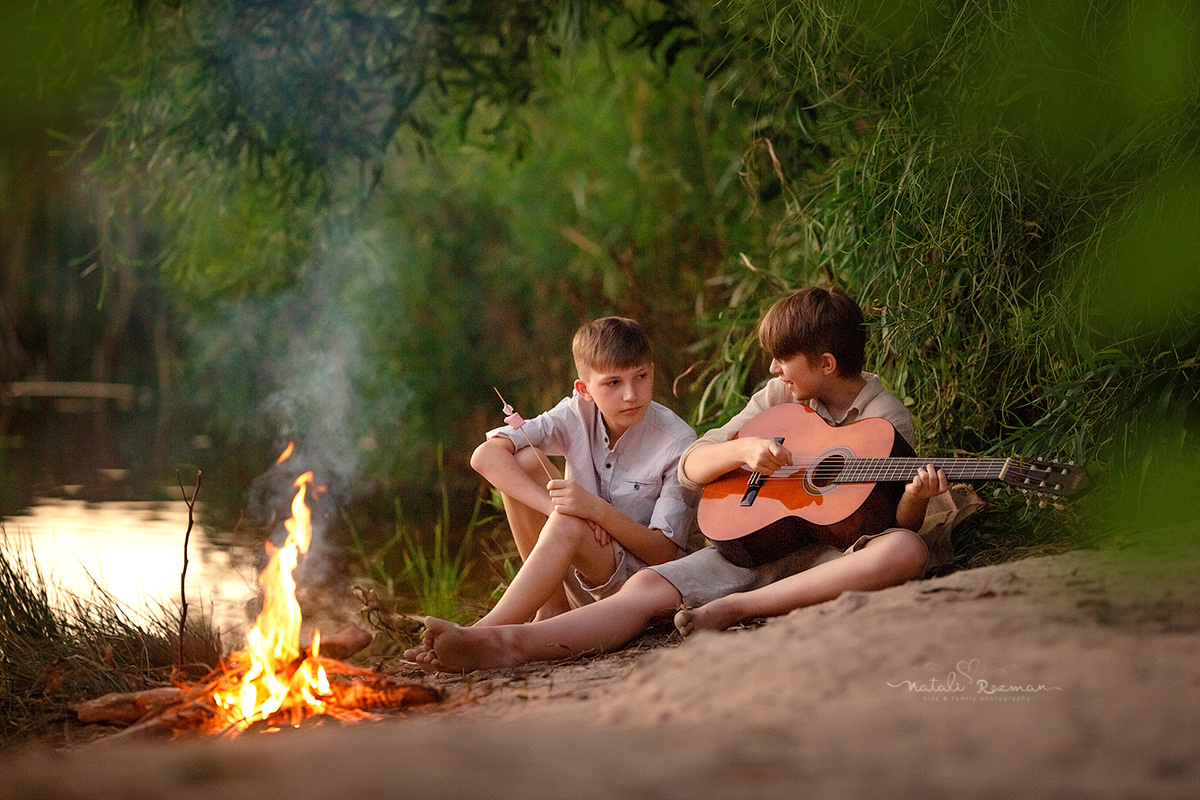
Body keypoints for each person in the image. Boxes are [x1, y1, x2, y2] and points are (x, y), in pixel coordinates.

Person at [406, 287, 948, 671]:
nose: (773, 372)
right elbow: (696, 463)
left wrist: (918, 500)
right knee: (643, 588)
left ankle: (733, 610)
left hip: (822, 556)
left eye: (783, 360)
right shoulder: (780, 399)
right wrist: (745, 448)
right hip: (746, 545)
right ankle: (509, 642)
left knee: (904, 549)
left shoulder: (886, 421)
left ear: (826, 363)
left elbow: (892, 513)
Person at [468, 316, 699, 628]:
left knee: (569, 521)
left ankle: (486, 631)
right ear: (585, 389)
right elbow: (485, 457)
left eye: (641, 376)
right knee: (524, 460)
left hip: (638, 592)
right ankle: (552, 607)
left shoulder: (677, 442)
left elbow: (665, 554)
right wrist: (560, 510)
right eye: (613, 383)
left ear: (652, 372)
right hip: (582, 572)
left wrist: (595, 511)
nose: (631, 395)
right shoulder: (577, 413)